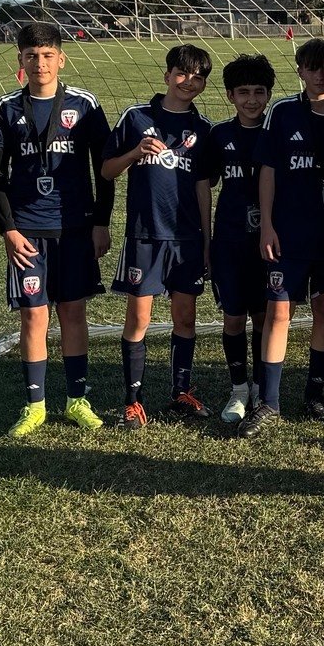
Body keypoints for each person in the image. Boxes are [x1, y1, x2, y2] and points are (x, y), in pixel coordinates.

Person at [0, 22, 114, 438]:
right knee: (34, 316)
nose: (39, 63)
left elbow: (105, 172)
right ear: (20, 61)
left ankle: (77, 399)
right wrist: (8, 230)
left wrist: (100, 222)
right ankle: (35, 404)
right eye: (30, 55)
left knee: (73, 313)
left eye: (46, 55)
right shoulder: (6, 108)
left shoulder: (86, 105)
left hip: (75, 229)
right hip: (28, 234)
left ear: (61, 58)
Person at [101, 44, 214, 431]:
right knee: (139, 319)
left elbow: (203, 187)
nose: (189, 81)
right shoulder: (137, 117)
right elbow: (106, 171)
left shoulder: (204, 129)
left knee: (185, 318)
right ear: (167, 75)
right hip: (145, 237)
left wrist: (206, 240)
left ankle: (181, 392)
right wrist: (135, 152)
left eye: (198, 76)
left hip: (186, 239)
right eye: (182, 73)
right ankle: (133, 402)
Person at [250, 38, 324, 434]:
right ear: (300, 71)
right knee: (280, 311)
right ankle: (269, 402)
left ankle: (315, 394)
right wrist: (267, 224)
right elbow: (268, 170)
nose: (320, 74)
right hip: (287, 232)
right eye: (312, 67)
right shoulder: (283, 112)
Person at [197, 54, 275, 427]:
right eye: (243, 92)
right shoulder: (220, 135)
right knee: (233, 318)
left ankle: (261, 387)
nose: (252, 100)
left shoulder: (276, 131)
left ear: (269, 94)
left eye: (259, 92)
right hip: (229, 238)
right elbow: (205, 184)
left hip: (268, 240)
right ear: (229, 95)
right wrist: (207, 240)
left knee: (264, 315)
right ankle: (239, 388)